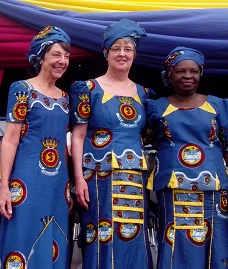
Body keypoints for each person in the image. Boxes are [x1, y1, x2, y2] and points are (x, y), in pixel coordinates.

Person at [145, 46, 228, 269]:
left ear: (200, 74)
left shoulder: (220, 105)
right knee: (175, 241)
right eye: (180, 71)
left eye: (194, 71)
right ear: (169, 75)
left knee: (216, 243)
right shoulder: (155, 107)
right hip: (172, 188)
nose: (188, 76)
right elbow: (150, 139)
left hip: (214, 189)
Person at [70, 18, 154, 269]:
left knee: (134, 237)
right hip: (98, 177)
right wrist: (79, 179)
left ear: (134, 55)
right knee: (101, 236)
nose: (122, 54)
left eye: (128, 49)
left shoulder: (145, 94)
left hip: (134, 177)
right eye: (116, 48)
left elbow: (149, 139)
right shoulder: (87, 89)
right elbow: (77, 136)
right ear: (106, 53)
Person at [0, 26, 73, 269]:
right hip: (27, 179)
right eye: (56, 55)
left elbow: (64, 143)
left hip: (57, 183)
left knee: (55, 241)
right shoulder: (22, 89)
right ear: (41, 57)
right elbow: (10, 139)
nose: (62, 61)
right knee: (23, 236)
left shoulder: (65, 97)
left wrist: (69, 183)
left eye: (66, 56)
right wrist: (4, 187)